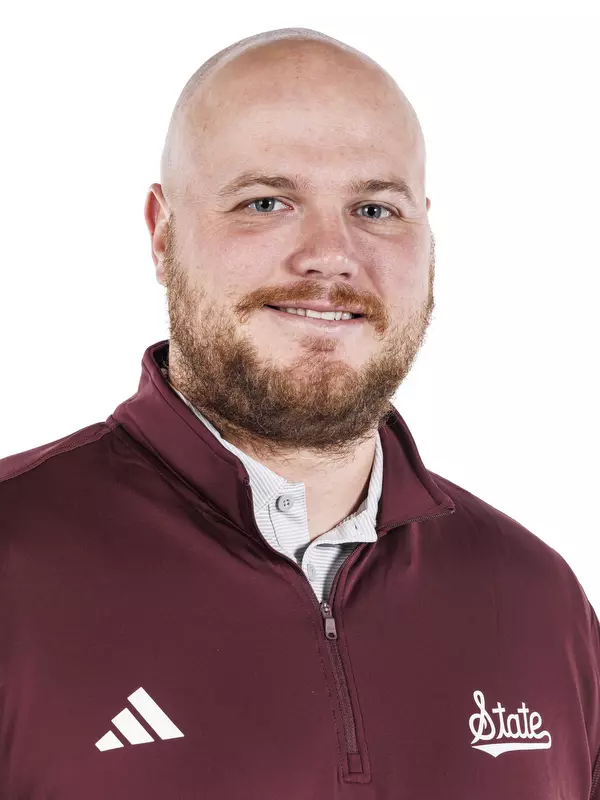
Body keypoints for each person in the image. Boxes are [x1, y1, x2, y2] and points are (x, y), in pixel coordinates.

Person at [0, 26, 598, 800]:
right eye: (266, 202)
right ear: (161, 234)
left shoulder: (538, 602)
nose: (329, 254)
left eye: (376, 209)